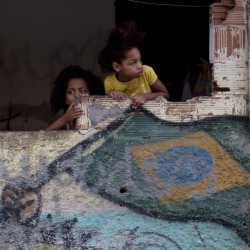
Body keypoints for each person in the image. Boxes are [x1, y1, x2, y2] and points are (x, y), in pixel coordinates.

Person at [98, 21, 169, 108]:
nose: (139, 66)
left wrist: (145, 96)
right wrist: (112, 94)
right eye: (133, 62)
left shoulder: (147, 71)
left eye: (140, 60)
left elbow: (165, 94)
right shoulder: (109, 82)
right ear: (117, 67)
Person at [45, 65, 105, 130]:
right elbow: (38, 137)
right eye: (70, 92)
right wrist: (64, 119)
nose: (77, 95)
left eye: (83, 91)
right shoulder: (64, 125)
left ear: (91, 95)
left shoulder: (101, 119)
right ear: (65, 100)